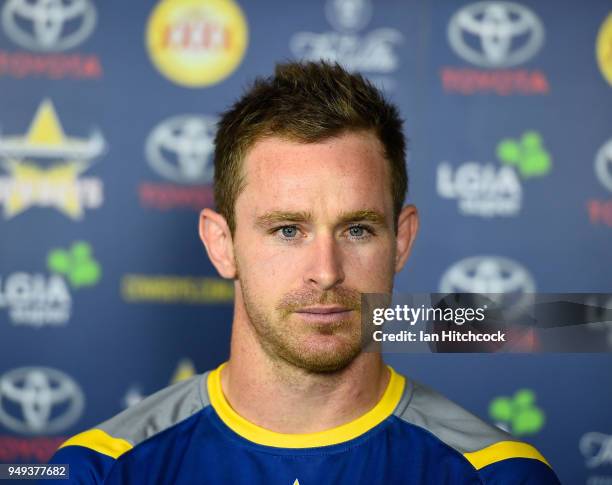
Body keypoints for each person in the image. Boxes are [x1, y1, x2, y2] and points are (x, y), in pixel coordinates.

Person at [46, 61, 560, 484]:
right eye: (288, 230)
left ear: (400, 241)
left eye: (357, 229)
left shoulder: (500, 475)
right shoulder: (96, 471)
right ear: (221, 245)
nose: (326, 272)